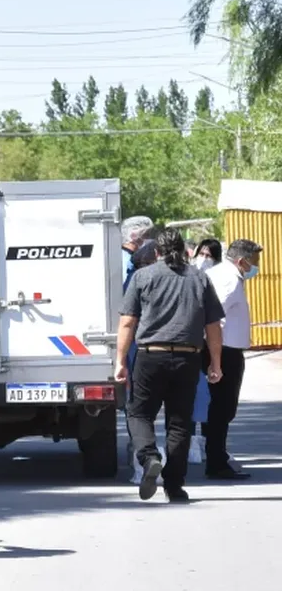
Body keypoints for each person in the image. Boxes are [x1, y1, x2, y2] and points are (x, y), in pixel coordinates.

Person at [117, 228, 224, 504]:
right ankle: (174, 486)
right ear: (185, 251)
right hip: (188, 357)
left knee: (139, 414)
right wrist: (215, 363)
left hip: (151, 356)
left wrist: (120, 361)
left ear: (156, 251)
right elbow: (213, 326)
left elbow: (127, 322)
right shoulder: (199, 278)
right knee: (180, 423)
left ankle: (149, 456)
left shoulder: (143, 276)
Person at [203, 238, 262, 480]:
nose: (256, 266)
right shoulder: (228, 279)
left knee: (219, 408)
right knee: (223, 408)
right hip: (224, 350)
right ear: (241, 261)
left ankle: (217, 457)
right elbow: (214, 318)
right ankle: (216, 462)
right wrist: (214, 358)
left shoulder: (221, 274)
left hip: (222, 348)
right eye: (254, 261)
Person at [121, 215, 155, 290]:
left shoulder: (122, 254)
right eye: (146, 235)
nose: (148, 239)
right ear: (133, 235)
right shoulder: (126, 259)